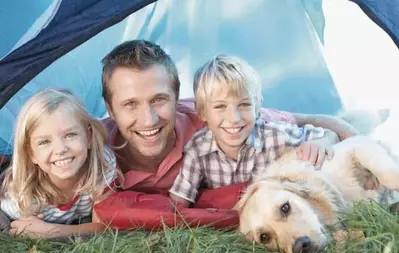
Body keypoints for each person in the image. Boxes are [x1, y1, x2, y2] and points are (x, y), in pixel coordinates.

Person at [101, 39, 358, 195]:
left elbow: (315, 122)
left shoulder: (215, 117)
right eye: (130, 104)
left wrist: (341, 140)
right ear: (111, 110)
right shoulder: (91, 147)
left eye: (159, 100)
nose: (148, 119)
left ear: (177, 97)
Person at [168, 55, 338, 207]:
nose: (234, 118)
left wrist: (320, 143)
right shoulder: (197, 150)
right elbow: (178, 202)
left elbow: (329, 134)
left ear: (257, 107)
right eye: (220, 106)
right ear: (203, 112)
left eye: (244, 104)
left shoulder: (275, 136)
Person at [0, 89, 120, 238]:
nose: (61, 149)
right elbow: (24, 229)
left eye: (70, 135)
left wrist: (51, 231)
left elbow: (105, 226)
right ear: (31, 154)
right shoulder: (19, 194)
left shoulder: (102, 164)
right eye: (44, 142)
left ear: (88, 136)